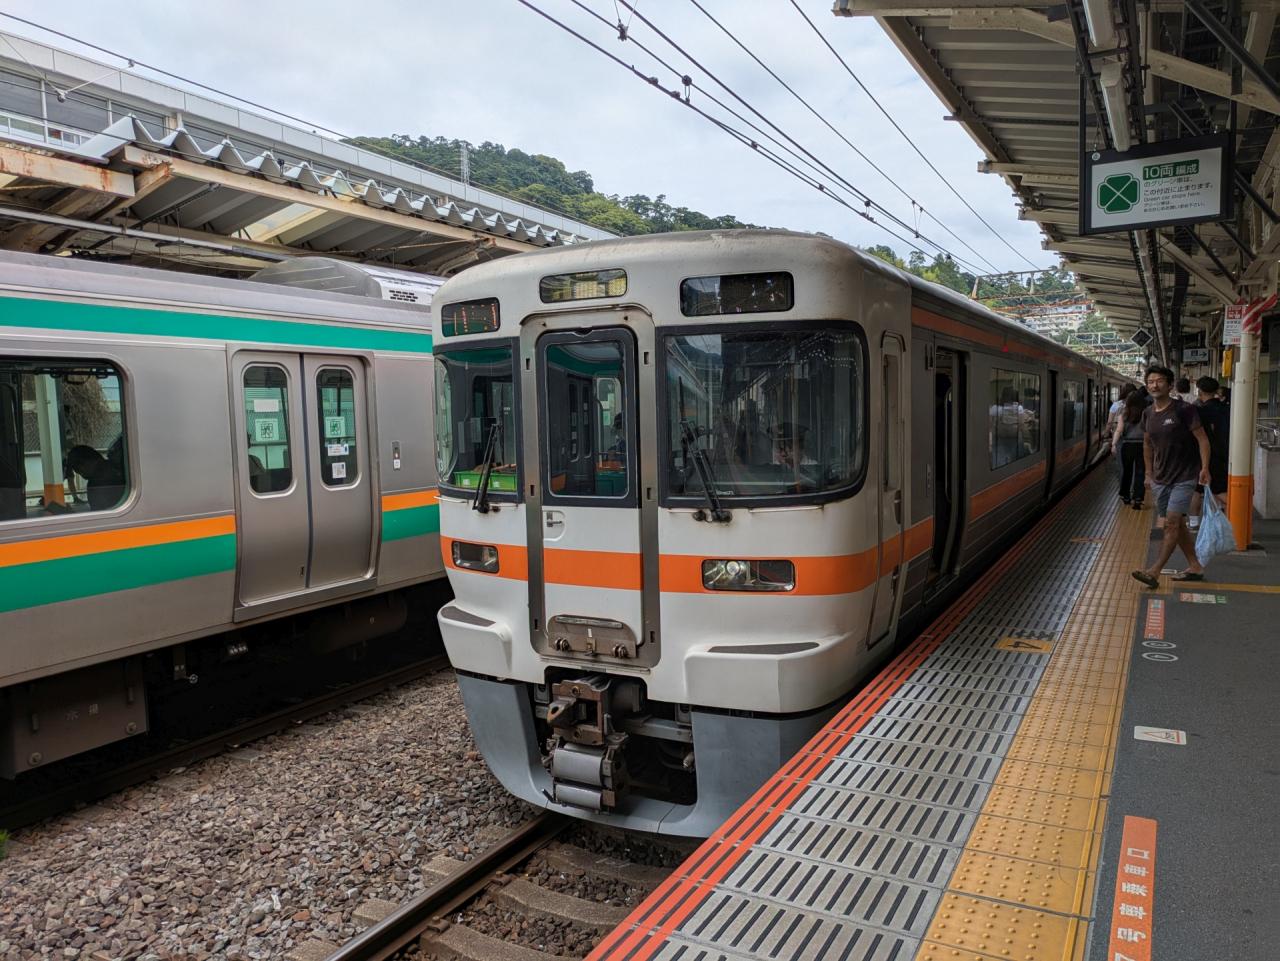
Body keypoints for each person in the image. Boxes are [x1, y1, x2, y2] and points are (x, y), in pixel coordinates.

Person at [1131, 366, 1212, 588]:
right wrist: (1148, 473)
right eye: (1150, 381)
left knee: (1171, 523)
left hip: (1185, 475)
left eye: (1159, 381)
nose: (1154, 385)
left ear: (1169, 385)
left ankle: (1154, 571)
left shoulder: (1184, 410)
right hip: (1160, 478)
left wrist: (1205, 467)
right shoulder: (1148, 413)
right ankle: (1195, 565)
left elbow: (1202, 439)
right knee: (1177, 524)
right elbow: (1147, 444)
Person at [1188, 375, 1230, 529]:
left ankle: (1194, 522)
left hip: (1204, 455)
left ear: (1199, 391)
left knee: (1202, 489)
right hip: (1226, 454)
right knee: (1216, 487)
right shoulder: (1227, 408)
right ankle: (1225, 519)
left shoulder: (1199, 411)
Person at [1112, 390, 1146, 507]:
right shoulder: (1146, 413)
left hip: (1127, 445)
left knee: (1127, 471)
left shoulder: (1124, 413)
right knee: (1140, 472)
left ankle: (1125, 495)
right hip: (1143, 445)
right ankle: (1138, 497)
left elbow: (1119, 430)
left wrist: (1114, 444)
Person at [66, 444, 125, 511]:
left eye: (79, 465)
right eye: (75, 468)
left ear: (92, 459)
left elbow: (101, 512)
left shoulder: (100, 482)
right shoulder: (114, 469)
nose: (78, 471)